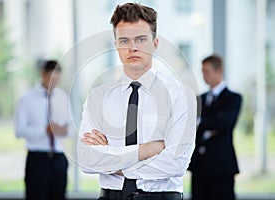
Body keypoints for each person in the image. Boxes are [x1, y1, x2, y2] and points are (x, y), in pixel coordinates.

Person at [77, 3, 196, 200]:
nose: (132, 48)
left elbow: (176, 162)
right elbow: (87, 160)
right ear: (116, 45)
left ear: (155, 43)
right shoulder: (98, 97)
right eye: (124, 40)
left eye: (140, 39)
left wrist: (114, 162)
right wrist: (146, 150)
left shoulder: (180, 94)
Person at [188, 55, 242, 200]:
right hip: (199, 166)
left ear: (219, 71)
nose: (204, 76)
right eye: (202, 72)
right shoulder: (200, 99)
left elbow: (224, 123)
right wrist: (209, 124)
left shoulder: (233, 98)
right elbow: (190, 125)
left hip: (221, 165)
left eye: (207, 71)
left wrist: (201, 122)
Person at [15, 60, 70, 200]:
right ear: (43, 74)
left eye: (58, 79)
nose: (55, 82)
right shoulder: (27, 99)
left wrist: (63, 130)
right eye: (52, 78)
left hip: (59, 159)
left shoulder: (63, 97)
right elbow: (19, 130)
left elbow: (71, 128)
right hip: (37, 160)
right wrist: (45, 130)